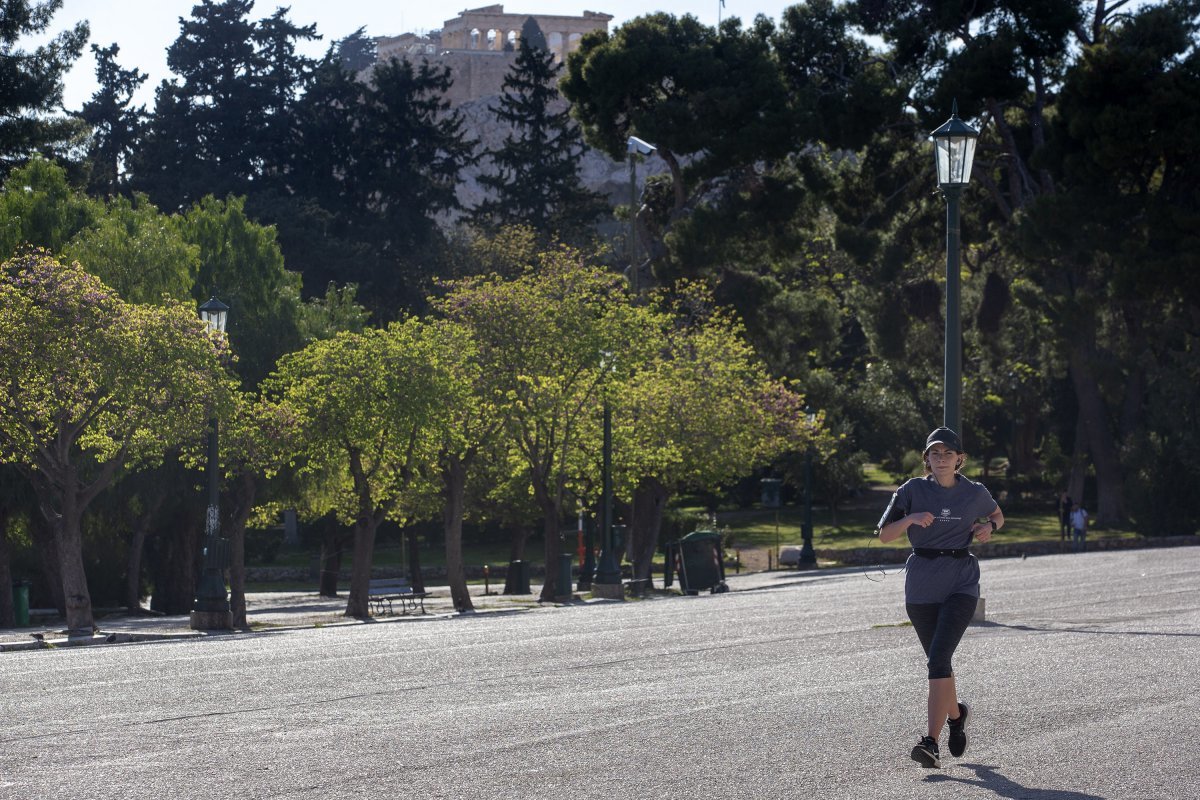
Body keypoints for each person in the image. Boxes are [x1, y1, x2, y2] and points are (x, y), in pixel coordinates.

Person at [876, 426, 1004, 769]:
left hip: (961, 582)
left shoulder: (975, 492)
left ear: (959, 459)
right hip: (921, 587)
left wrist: (988, 528)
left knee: (937, 659)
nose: (942, 459)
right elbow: (885, 534)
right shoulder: (911, 490)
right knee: (940, 661)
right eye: (935, 454)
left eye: (948, 454)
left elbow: (997, 514)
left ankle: (930, 742)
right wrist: (912, 518)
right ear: (927, 460)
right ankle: (957, 715)